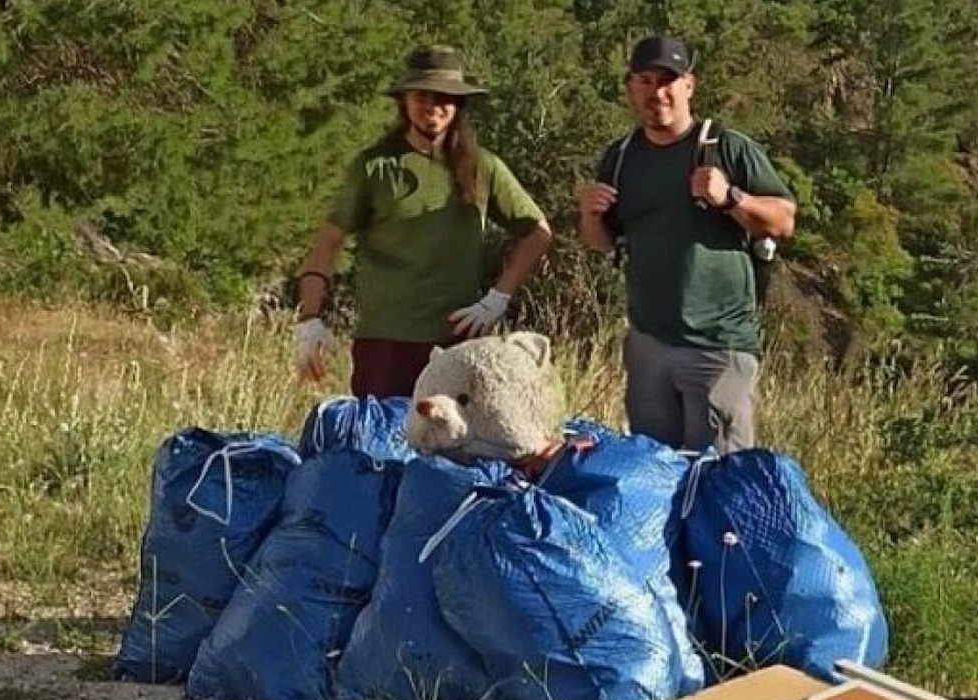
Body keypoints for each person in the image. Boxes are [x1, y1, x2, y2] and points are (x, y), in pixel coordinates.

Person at [576, 35, 797, 454]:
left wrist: (732, 198)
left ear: (689, 86)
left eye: (667, 81)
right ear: (631, 87)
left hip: (718, 346)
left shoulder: (727, 148)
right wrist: (588, 214)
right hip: (647, 345)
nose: (656, 92)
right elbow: (602, 245)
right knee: (654, 476)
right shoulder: (620, 157)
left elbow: (784, 221)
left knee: (717, 479)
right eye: (645, 80)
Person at [294, 44, 553, 398]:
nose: (433, 106)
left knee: (453, 446)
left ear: (459, 104)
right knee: (381, 446)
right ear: (405, 101)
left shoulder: (482, 167)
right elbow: (328, 242)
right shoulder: (375, 167)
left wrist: (496, 299)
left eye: (444, 97)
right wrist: (309, 320)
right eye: (422, 96)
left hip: (456, 341)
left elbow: (537, 233)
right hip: (385, 342)